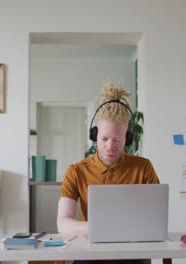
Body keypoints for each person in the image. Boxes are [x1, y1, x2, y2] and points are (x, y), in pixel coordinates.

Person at [56, 81, 160, 264]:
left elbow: (156, 218)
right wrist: (99, 228)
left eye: (118, 140)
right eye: (104, 138)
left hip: (133, 253)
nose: (110, 146)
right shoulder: (76, 171)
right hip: (90, 254)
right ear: (94, 135)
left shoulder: (144, 168)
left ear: (128, 138)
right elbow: (63, 223)